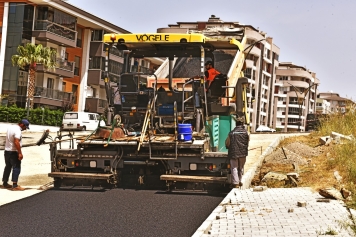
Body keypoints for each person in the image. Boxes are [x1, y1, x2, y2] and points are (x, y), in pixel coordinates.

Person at [2, 119, 30, 191]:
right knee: (16, 167)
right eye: (25, 127)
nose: (24, 129)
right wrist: (20, 152)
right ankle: (15, 185)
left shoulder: (11, 127)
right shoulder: (18, 130)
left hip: (7, 151)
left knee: (8, 167)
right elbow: (16, 141)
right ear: (22, 125)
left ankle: (5, 183)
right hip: (13, 152)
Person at [225, 116, 249, 188]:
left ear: (236, 124)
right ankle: (240, 181)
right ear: (242, 124)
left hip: (233, 153)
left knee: (234, 167)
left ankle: (235, 183)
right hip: (243, 154)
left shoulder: (232, 133)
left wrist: (228, 147)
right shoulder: (246, 133)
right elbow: (247, 142)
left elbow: (227, 143)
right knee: (241, 167)